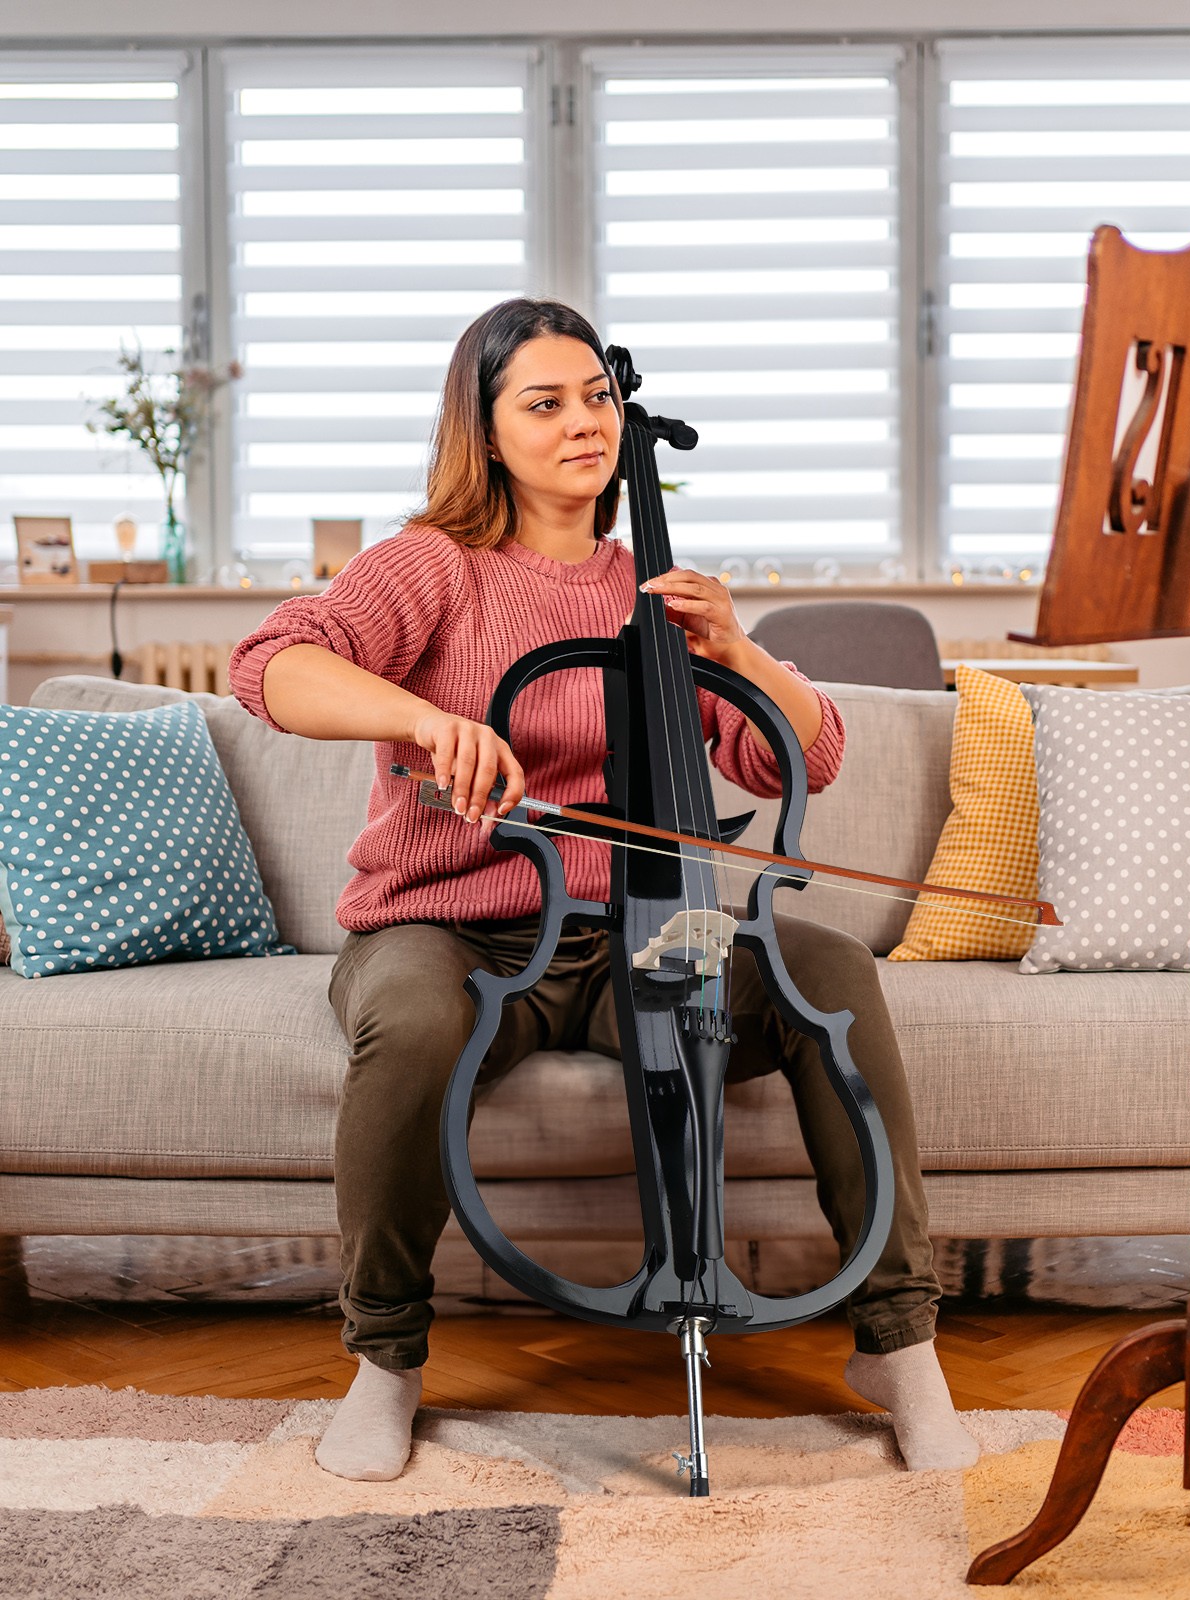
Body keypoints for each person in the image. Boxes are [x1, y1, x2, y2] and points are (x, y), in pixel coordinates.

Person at [229, 298, 979, 1483]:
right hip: (453, 931)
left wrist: (740, 652)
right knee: (411, 1022)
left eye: (597, 397)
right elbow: (270, 663)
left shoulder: (655, 592)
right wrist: (424, 719)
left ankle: (899, 1345)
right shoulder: (431, 564)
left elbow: (806, 755)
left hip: (640, 935)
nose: (583, 421)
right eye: (545, 403)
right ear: (485, 432)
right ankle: (386, 1358)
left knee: (828, 971)